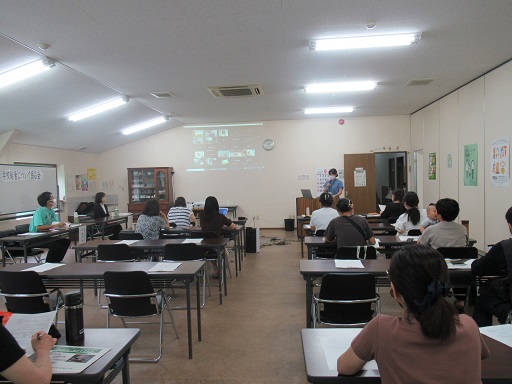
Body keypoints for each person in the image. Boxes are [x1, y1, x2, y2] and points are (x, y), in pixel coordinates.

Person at [337, 245, 489, 383]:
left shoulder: (381, 329)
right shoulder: (469, 325)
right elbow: (481, 357)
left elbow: (344, 367)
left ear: (395, 291)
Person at [471, 206, 512, 327]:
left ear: (510, 226)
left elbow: (478, 268)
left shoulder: (505, 247)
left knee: (482, 301)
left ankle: (484, 341)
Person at [200, 196, 237, 278]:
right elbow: (234, 227)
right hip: (217, 247)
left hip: (202, 248)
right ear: (217, 205)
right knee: (218, 247)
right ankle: (219, 270)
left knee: (209, 245)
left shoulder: (202, 216)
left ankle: (215, 269)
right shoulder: (220, 216)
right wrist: (223, 227)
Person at [29, 192, 71, 263]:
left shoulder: (51, 210)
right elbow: (38, 227)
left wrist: (63, 225)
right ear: (48, 201)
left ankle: (57, 260)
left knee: (65, 241)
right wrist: (55, 225)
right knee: (55, 244)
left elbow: (55, 223)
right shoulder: (40, 211)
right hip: (36, 238)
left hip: (46, 235)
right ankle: (49, 262)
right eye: (52, 197)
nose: (54, 199)